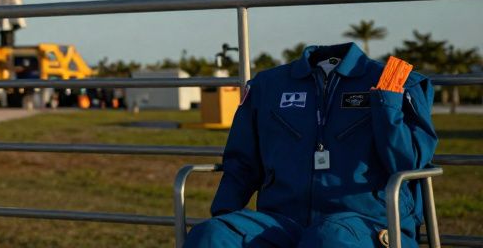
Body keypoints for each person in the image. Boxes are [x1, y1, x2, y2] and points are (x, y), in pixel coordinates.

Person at [185, 43, 437, 248]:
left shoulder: (398, 83)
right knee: (211, 235)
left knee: (327, 239)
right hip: (283, 223)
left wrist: (386, 104)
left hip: (368, 223)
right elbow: (241, 163)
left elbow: (409, 164)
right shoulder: (269, 85)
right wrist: (225, 215)